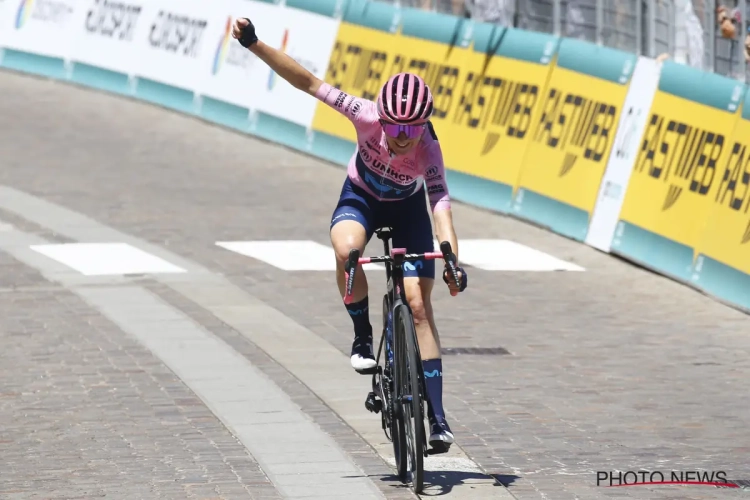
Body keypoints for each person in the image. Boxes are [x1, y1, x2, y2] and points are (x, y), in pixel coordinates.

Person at [232, 16, 468, 451]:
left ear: (424, 126)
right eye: (395, 128)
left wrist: (451, 256)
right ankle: (361, 335)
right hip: (361, 197)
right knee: (347, 251)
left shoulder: (428, 148)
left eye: (411, 130)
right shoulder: (363, 114)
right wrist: (254, 44)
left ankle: (437, 417)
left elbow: (440, 204)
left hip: (408, 211)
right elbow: (306, 80)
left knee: (418, 305)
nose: (401, 138)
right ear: (382, 117)